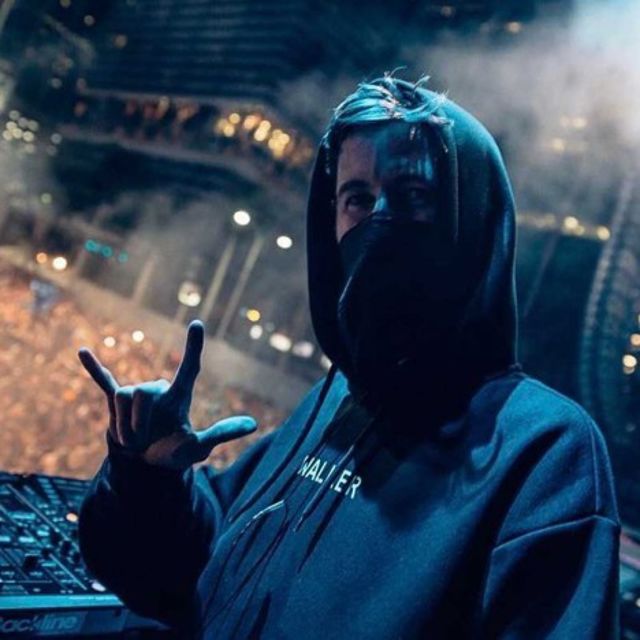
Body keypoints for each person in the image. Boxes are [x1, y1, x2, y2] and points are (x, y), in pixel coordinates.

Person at [77, 75, 621, 639]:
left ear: (473, 220)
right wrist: (147, 477)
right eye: (358, 198)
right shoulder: (336, 400)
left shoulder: (546, 451)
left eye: (413, 195)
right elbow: (184, 578)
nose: (379, 220)